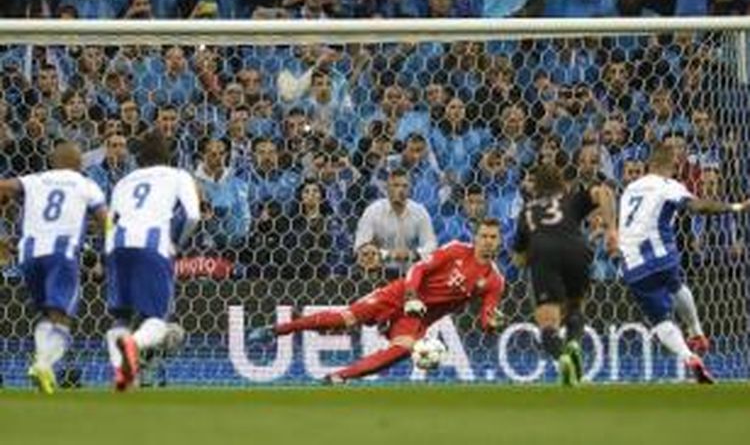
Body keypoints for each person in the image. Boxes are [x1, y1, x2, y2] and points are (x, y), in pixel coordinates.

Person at [249, 219, 505, 384]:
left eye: (493, 237)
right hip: (399, 295)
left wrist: (492, 324)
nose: (488, 241)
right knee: (344, 319)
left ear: (499, 241)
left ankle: (338, 377)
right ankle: (275, 330)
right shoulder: (456, 250)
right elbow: (418, 269)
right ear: (475, 236)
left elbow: (487, 316)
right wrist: (411, 295)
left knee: (404, 348)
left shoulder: (494, 281)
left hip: (417, 317)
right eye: (484, 235)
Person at [618, 144, 750, 384]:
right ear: (674, 166)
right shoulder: (669, 185)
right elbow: (697, 206)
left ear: (649, 165)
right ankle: (696, 331)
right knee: (676, 285)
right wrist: (736, 206)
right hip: (661, 256)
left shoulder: (630, 188)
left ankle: (689, 357)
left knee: (660, 321)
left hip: (632, 266)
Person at [0, 142, 107, 394]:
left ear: (53, 161)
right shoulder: (86, 184)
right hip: (62, 252)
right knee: (61, 315)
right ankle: (42, 364)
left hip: (29, 254)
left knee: (46, 314)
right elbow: (105, 218)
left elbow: (4, 187)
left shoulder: (35, 179)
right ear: (79, 163)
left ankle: (42, 366)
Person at [105, 130, 201, 391]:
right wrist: (175, 244)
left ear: (138, 157)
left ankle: (122, 375)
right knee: (156, 318)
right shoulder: (178, 175)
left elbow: (108, 221)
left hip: (117, 246)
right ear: (168, 154)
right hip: (152, 245)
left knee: (121, 317)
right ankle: (133, 346)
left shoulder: (123, 182)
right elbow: (193, 215)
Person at [513, 163, 617, 386]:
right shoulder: (571, 199)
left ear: (536, 188)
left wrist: (529, 256)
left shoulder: (527, 212)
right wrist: (611, 230)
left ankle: (562, 359)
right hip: (577, 250)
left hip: (543, 254)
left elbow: (519, 259)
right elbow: (605, 192)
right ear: (562, 185)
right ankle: (574, 344)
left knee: (548, 323)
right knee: (575, 307)